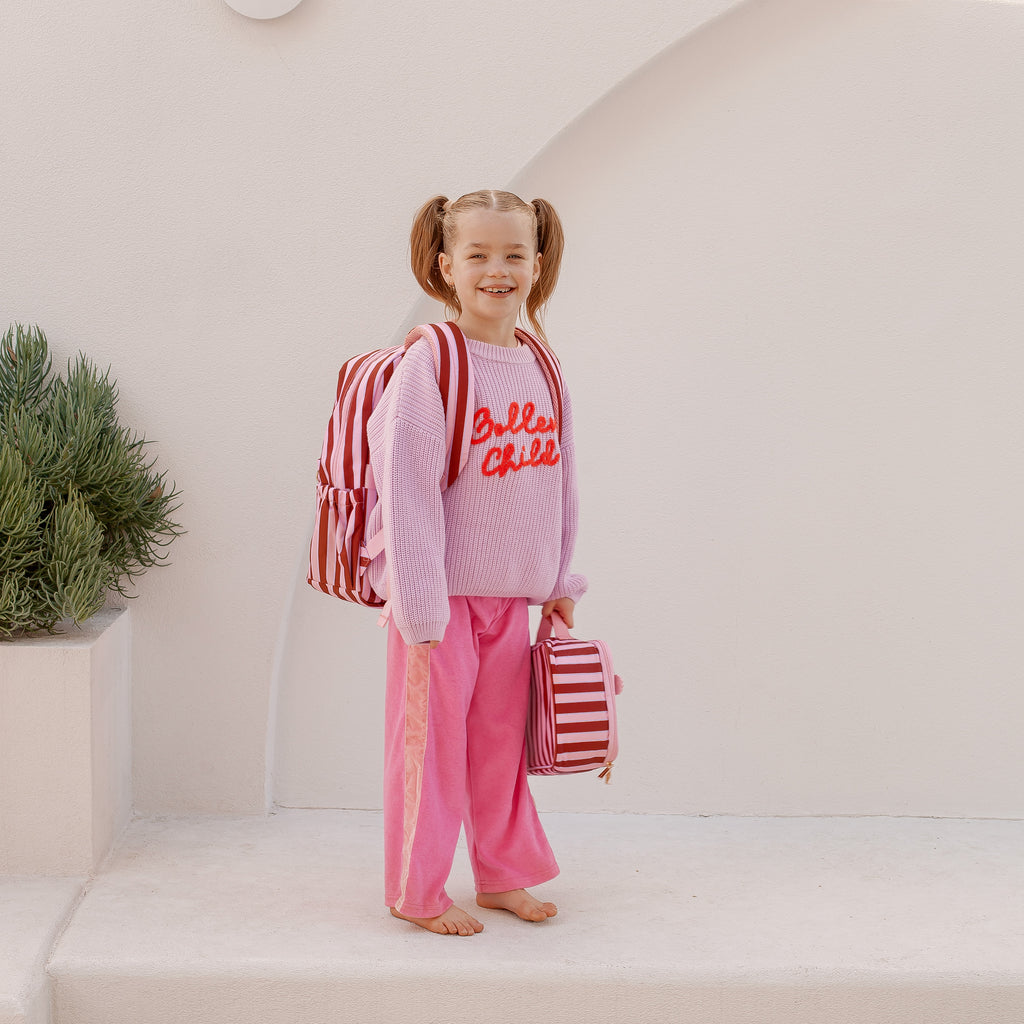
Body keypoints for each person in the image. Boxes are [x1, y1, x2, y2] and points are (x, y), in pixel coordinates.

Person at [365, 189, 586, 936]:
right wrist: (418, 604)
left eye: (514, 254)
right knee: (429, 751)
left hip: (511, 599)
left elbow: (560, 482)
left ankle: (503, 874)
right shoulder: (430, 363)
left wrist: (558, 582)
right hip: (438, 603)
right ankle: (416, 891)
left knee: (499, 747)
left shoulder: (542, 365)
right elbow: (407, 492)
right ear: (445, 265)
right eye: (479, 254)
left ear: (538, 264)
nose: (499, 270)